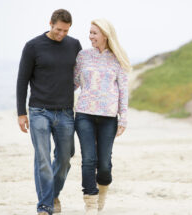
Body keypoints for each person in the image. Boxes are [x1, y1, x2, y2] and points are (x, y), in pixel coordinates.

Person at [16, 9, 82, 215]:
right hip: (39, 111)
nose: (62, 34)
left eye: (66, 30)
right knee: (42, 159)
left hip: (65, 112)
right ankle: (45, 206)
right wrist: (21, 113)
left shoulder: (74, 45)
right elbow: (22, 80)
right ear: (50, 23)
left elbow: (80, 75)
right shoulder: (33, 46)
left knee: (64, 159)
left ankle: (53, 194)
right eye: (58, 29)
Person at [73, 19, 131, 214]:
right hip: (84, 115)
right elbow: (73, 83)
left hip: (108, 117)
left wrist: (123, 117)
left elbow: (123, 90)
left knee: (104, 164)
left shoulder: (118, 58)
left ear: (105, 35)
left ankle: (102, 197)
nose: (90, 36)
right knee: (88, 160)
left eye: (94, 33)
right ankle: (90, 204)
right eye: (89, 32)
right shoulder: (83, 56)